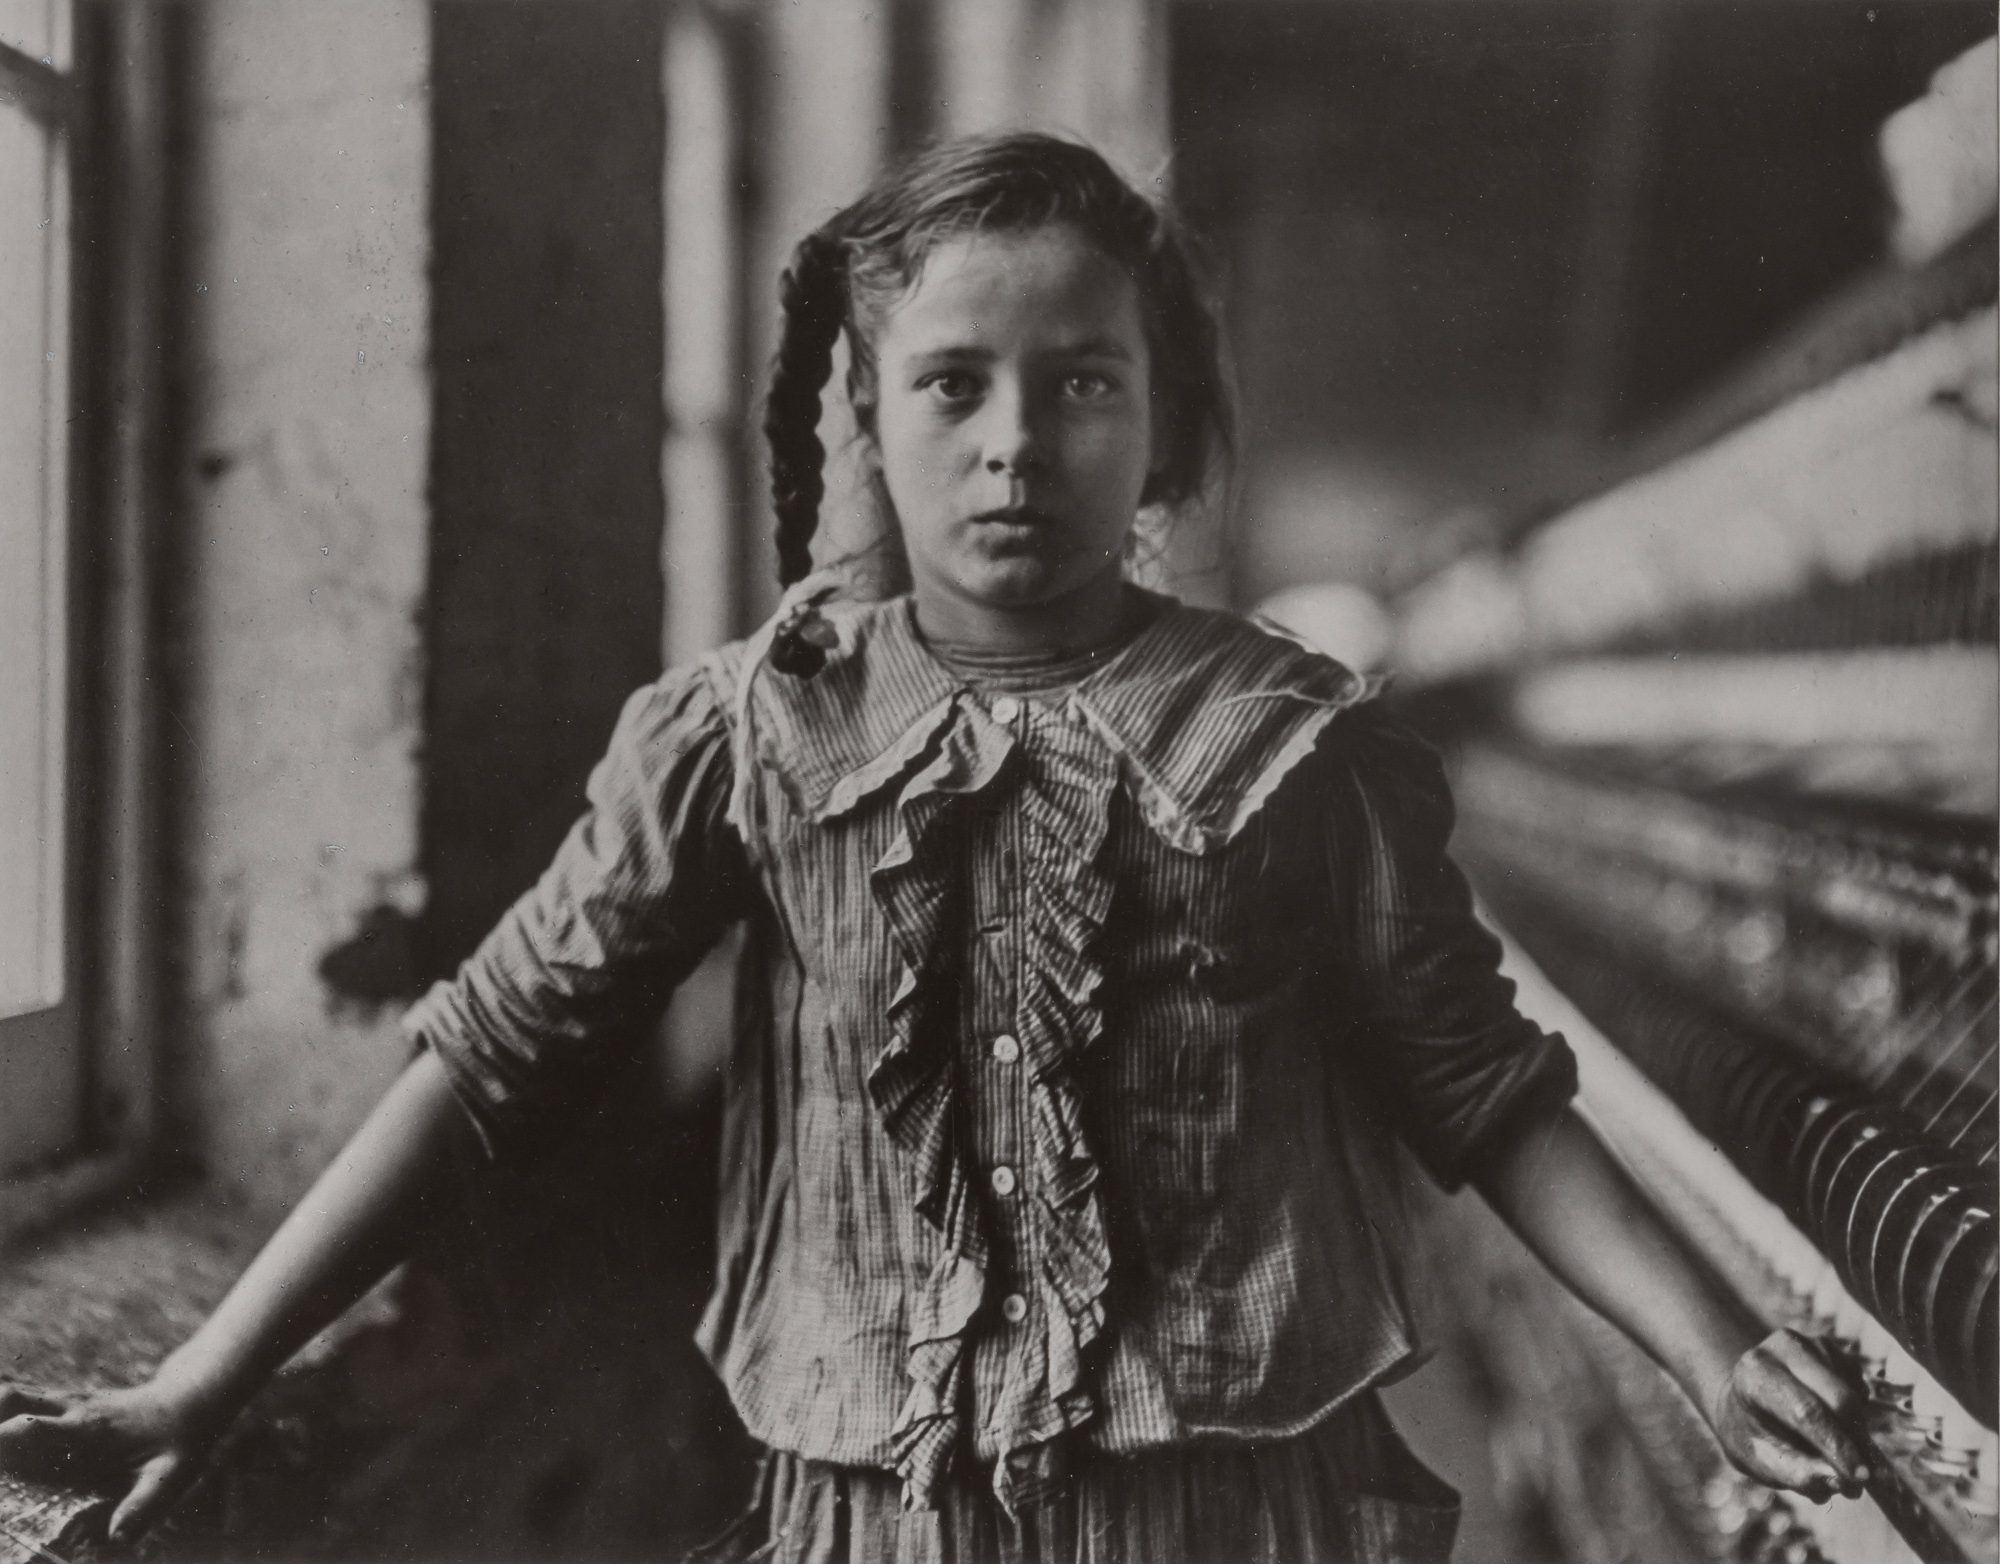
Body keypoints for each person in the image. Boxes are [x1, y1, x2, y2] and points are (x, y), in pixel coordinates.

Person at [0, 133, 1868, 1564]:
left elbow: (1488, 1090)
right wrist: (205, 1374)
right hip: (876, 1514)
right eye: (951, 385)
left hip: (1229, 1509)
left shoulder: (1300, 750)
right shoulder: (753, 731)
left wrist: (1712, 1351)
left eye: (1082, 384)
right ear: (870, 426)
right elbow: (491, 1057)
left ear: (1161, 431)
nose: (1013, 448)